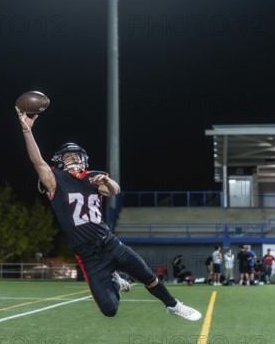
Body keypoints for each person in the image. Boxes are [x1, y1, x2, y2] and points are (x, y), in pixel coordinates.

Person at [15, 107, 202, 321]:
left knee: (147, 276)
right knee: (109, 310)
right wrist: (27, 131)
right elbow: (37, 162)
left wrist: (106, 181)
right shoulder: (56, 180)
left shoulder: (94, 177)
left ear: (84, 158)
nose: (72, 158)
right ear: (60, 161)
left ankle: (173, 305)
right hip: (89, 256)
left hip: (110, 243)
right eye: (67, 157)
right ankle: (115, 280)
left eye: (76, 155)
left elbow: (115, 190)